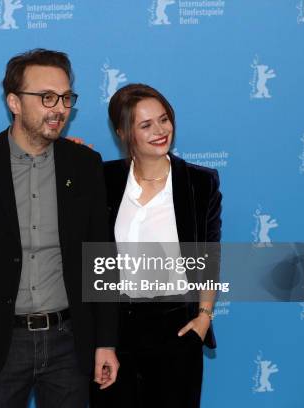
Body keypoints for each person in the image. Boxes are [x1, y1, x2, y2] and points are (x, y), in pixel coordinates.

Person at [0, 48, 119, 407]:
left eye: (66, 97)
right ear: (14, 103)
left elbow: (103, 259)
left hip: (70, 342)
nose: (60, 108)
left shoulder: (84, 164)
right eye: (47, 97)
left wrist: (106, 341)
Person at [91, 84, 221, 408]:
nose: (160, 131)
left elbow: (208, 256)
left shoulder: (199, 182)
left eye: (164, 120)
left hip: (176, 327)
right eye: (146, 125)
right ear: (124, 132)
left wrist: (204, 316)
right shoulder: (101, 179)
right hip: (113, 328)